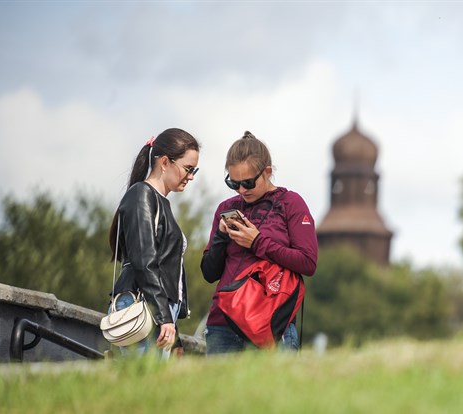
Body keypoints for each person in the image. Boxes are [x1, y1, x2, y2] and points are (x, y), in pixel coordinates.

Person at [201, 131, 318, 355]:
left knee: (275, 391)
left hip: (271, 322)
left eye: (248, 183)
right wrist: (221, 237)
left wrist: (256, 242)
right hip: (222, 324)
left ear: (267, 172)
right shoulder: (226, 208)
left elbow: (308, 262)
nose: (242, 190)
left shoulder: (291, 203)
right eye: (233, 183)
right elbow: (209, 273)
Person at [108, 127, 200, 358]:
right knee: (138, 388)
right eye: (188, 169)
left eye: (194, 170)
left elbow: (167, 270)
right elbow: (144, 261)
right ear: (165, 162)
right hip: (143, 308)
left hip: (155, 310)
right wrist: (163, 316)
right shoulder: (141, 195)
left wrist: (172, 326)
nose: (190, 177)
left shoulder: (160, 202)